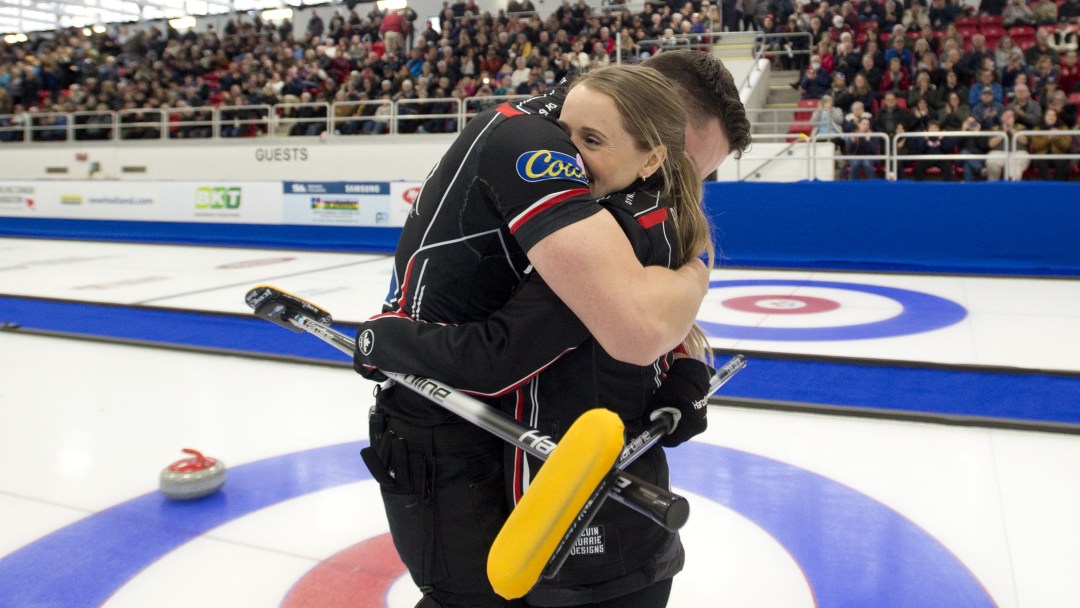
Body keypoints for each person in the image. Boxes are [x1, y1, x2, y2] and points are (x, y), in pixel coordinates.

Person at [353, 51, 750, 608]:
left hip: (539, 440)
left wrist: (684, 361)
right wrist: (696, 275)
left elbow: (639, 315)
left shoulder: (627, 199)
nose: (674, 184)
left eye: (690, 174)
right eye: (684, 164)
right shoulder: (537, 147)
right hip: (457, 437)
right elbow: (632, 322)